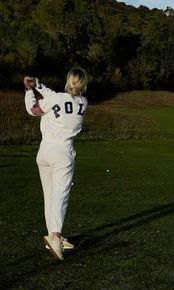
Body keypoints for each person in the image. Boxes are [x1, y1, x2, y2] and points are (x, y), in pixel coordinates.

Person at [24, 67, 88, 260]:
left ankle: (53, 235)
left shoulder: (57, 98)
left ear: (68, 81)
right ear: (83, 84)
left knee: (50, 195)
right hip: (63, 154)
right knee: (60, 196)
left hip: (44, 152)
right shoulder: (84, 103)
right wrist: (37, 84)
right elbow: (57, 98)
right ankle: (56, 236)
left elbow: (33, 110)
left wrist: (29, 91)